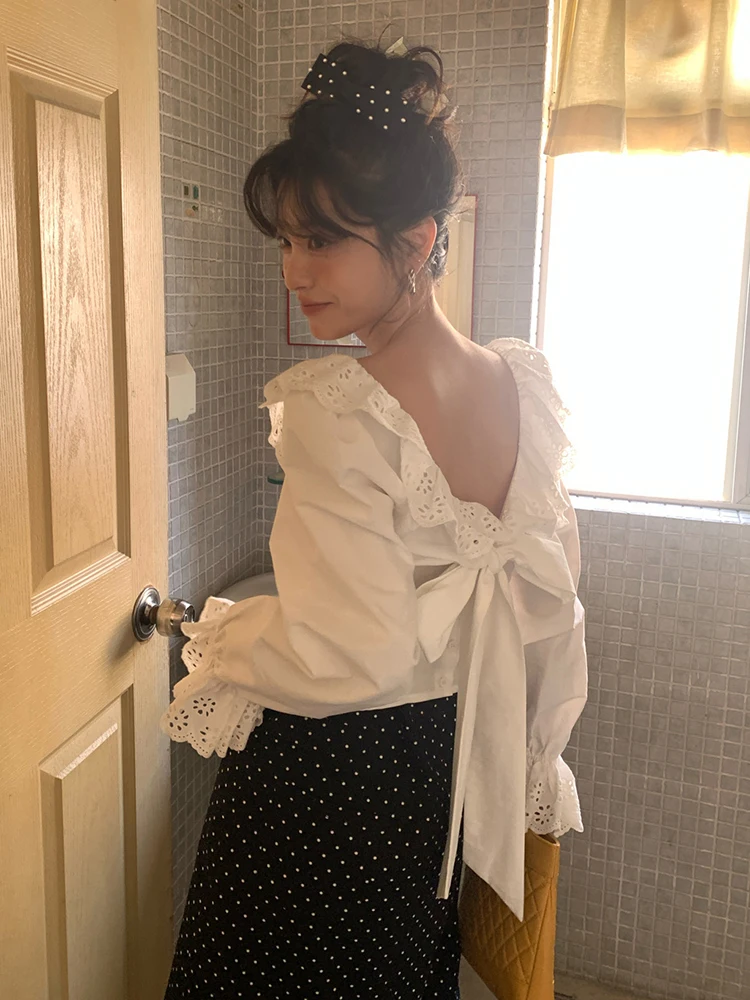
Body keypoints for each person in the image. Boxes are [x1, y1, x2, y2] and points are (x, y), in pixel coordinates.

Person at [161, 37, 588, 1000]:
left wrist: (225, 639)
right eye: (285, 241)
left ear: (418, 239)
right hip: (439, 769)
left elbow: (346, 652)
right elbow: (555, 589)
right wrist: (533, 752)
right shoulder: (519, 384)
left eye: (321, 240)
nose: (293, 271)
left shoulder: (335, 409)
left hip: (328, 787)